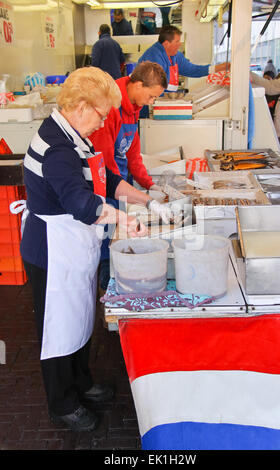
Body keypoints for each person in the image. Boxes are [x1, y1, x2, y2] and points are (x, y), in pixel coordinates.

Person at [20, 67, 175, 433]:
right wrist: (123, 220)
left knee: (80, 317)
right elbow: (80, 202)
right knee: (58, 327)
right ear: (82, 106)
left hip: (74, 246)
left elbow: (104, 176)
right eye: (102, 114)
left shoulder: (74, 134)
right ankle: (62, 402)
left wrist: (143, 199)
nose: (103, 122)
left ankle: (82, 380)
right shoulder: (57, 146)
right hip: (52, 251)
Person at [90, 61, 168, 290]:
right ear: (138, 85)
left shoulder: (134, 108)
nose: (152, 102)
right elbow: (104, 160)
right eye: (152, 96)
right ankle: (107, 281)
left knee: (120, 231)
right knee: (107, 236)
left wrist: (148, 184)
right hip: (106, 182)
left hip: (120, 181)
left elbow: (133, 154)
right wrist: (122, 191)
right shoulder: (112, 106)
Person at [138, 25, 228, 93]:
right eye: (177, 41)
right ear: (166, 44)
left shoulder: (175, 55)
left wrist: (217, 68)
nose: (180, 44)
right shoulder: (154, 56)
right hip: (149, 104)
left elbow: (191, 70)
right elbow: (152, 87)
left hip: (165, 101)